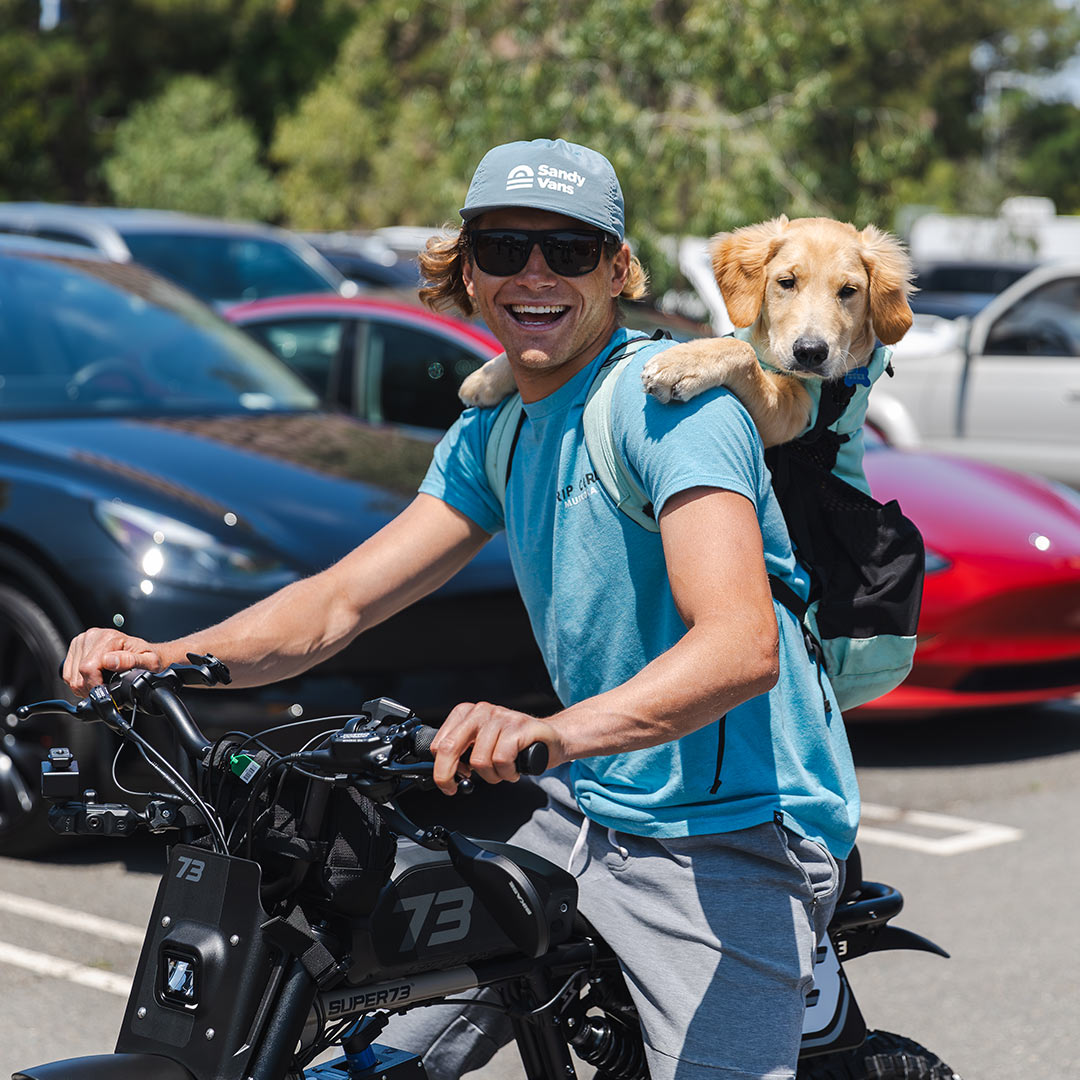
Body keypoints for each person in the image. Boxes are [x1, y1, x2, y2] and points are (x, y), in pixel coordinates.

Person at [63, 138, 859, 1079]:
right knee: (373, 1050)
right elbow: (338, 602)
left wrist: (549, 733)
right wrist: (166, 656)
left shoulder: (673, 410)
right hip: (591, 802)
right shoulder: (498, 426)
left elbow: (738, 647)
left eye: (567, 252)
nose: (534, 275)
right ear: (467, 274)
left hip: (734, 827)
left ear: (615, 271)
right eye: (504, 249)